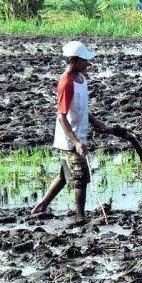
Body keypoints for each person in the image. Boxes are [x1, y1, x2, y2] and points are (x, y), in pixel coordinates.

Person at [31, 41, 106, 220]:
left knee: (64, 176)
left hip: (79, 133)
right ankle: (80, 216)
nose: (88, 64)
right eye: (84, 60)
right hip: (70, 139)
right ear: (73, 60)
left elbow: (81, 107)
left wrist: (96, 123)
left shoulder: (81, 78)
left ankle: (40, 207)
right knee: (80, 179)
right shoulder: (66, 83)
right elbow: (61, 116)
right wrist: (76, 142)